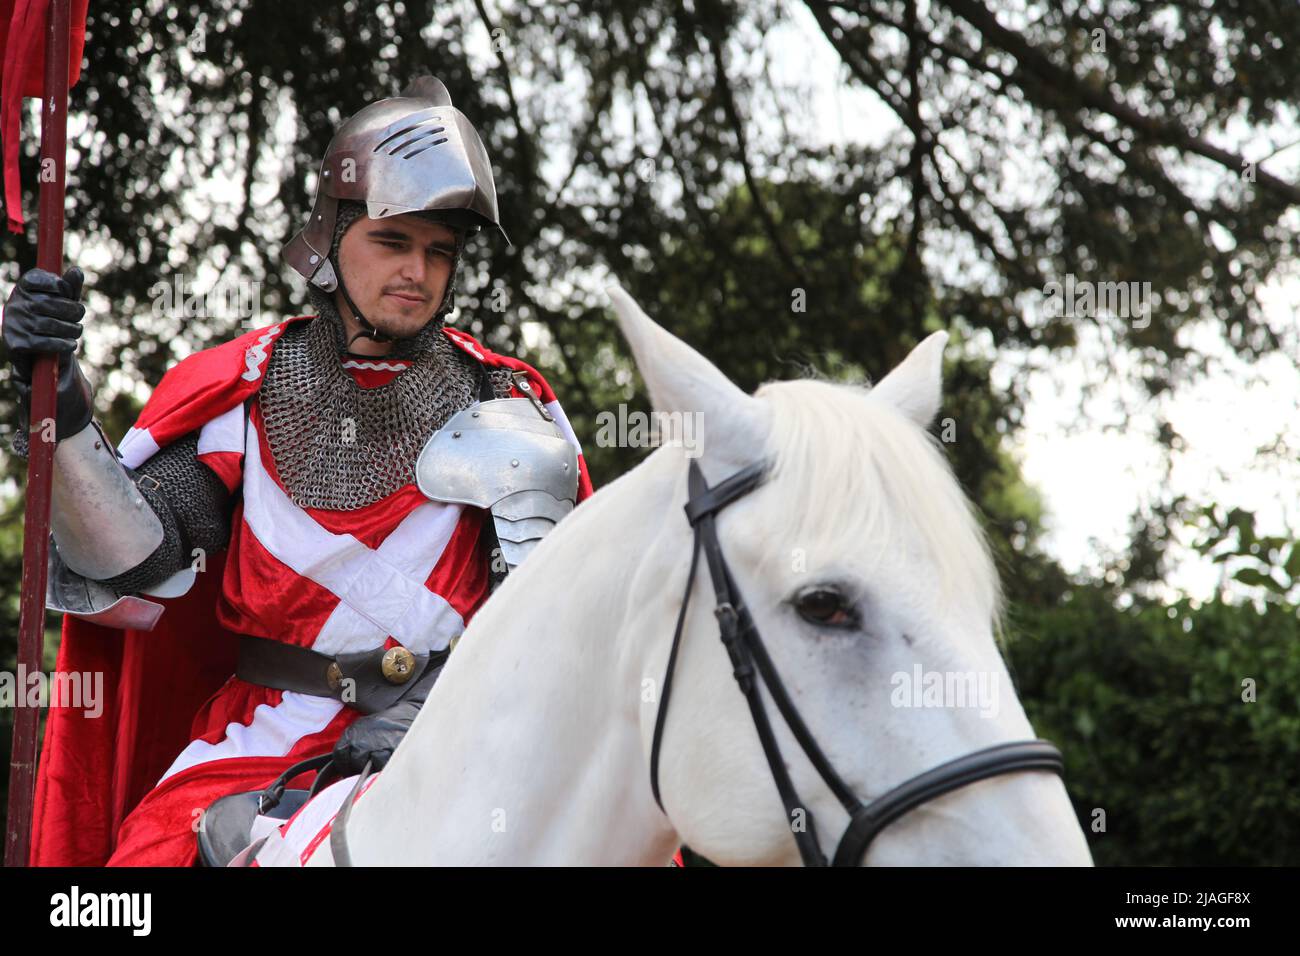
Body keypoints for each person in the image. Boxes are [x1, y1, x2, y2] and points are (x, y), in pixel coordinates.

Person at [2, 75, 592, 866]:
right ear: (332, 234)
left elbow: (561, 632)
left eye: (438, 251)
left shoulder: (510, 409)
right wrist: (64, 406)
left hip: (457, 731)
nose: (417, 271)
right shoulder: (242, 393)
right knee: (139, 872)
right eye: (393, 241)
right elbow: (130, 561)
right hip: (265, 732)